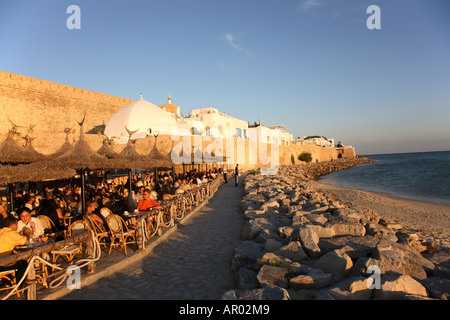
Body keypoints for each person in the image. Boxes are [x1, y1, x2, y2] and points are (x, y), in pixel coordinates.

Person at [0, 217, 30, 283]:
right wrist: (27, 233)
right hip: (2, 263)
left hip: (2, 261)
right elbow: (26, 241)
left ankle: (7, 281)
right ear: (13, 225)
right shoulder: (10, 233)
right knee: (23, 263)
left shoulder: (1, 231)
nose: (17, 227)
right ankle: (17, 283)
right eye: (16, 225)